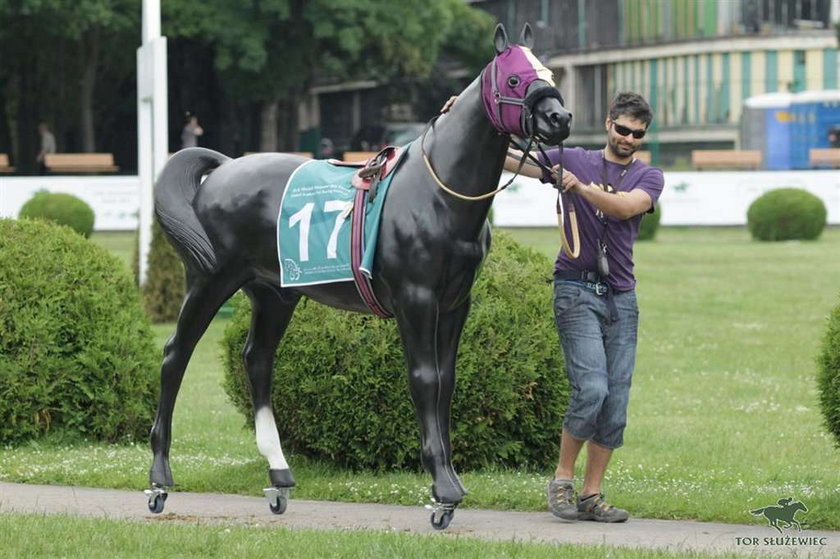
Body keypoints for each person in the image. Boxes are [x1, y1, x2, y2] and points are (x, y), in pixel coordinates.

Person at [442, 91, 664, 522]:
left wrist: (578, 188)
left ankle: (591, 495)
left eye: (637, 134)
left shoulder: (648, 177)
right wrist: (460, 119)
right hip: (575, 291)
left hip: (622, 298)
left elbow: (624, 209)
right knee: (592, 389)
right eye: (622, 129)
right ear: (608, 123)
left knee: (615, 404)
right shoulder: (576, 159)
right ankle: (562, 479)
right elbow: (513, 158)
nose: (628, 139)